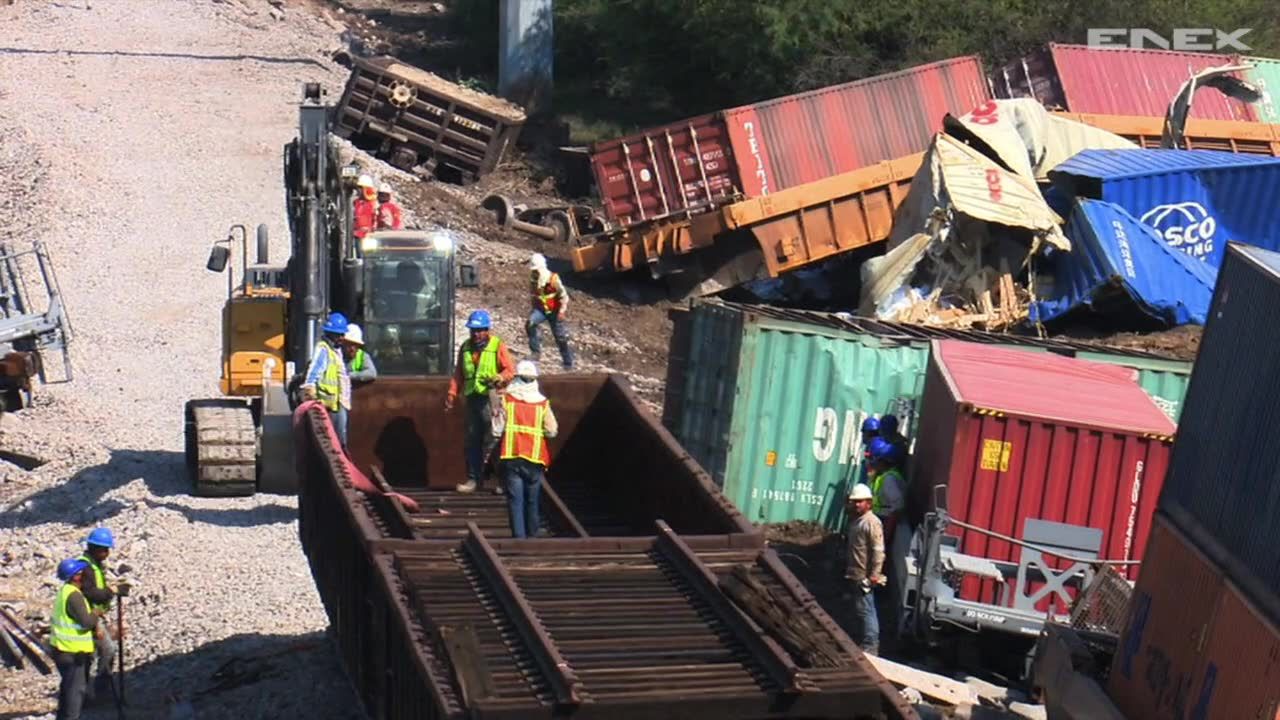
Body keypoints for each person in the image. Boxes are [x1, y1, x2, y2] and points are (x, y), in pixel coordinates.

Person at [446, 309, 515, 493]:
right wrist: (452, 394)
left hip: (492, 399)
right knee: (472, 441)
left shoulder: (497, 346)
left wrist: (499, 378)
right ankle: (473, 480)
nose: (476, 334)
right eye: (473, 330)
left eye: (479, 330)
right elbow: (459, 373)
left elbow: (510, 370)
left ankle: (501, 481)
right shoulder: (466, 347)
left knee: (495, 440)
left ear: (487, 329)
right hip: (472, 400)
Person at [492, 360, 559, 538]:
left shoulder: (507, 400)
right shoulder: (543, 404)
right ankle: (533, 536)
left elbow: (497, 429)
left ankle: (519, 539)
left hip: (512, 456)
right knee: (532, 500)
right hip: (535, 459)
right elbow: (552, 431)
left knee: (515, 500)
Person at [50, 557, 100, 720]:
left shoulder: (65, 591)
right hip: (72, 653)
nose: (85, 573)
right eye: (81, 571)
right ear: (75, 576)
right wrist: (96, 614)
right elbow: (86, 622)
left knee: (67, 689)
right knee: (75, 693)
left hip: (61, 649)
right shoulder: (74, 596)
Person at [844, 483, 886, 656]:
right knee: (861, 610)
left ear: (868, 502)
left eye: (860, 501)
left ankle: (870, 646)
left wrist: (874, 575)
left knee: (867, 610)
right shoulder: (858, 521)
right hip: (855, 573)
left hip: (864, 576)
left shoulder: (872, 522)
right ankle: (866, 641)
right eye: (854, 501)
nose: (856, 504)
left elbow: (878, 551)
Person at [302, 312, 352, 446]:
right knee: (334, 441)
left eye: (342, 334)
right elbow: (314, 371)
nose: (342, 337)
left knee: (340, 438)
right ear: (331, 334)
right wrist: (310, 388)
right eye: (339, 334)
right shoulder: (323, 349)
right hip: (327, 405)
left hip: (337, 403)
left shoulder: (336, 351)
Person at [77, 528, 116, 702]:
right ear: (93, 548)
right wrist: (110, 592)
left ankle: (87, 695)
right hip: (88, 618)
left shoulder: (94, 565)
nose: (107, 554)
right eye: (104, 550)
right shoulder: (86, 567)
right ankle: (99, 692)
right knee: (107, 650)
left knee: (90, 656)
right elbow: (90, 593)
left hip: (94, 616)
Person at [526, 253, 575, 370]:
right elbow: (534, 294)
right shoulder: (533, 278)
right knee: (530, 324)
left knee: (560, 338)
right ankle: (535, 352)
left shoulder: (553, 279)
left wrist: (562, 311)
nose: (535, 272)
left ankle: (568, 362)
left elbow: (564, 296)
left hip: (554, 311)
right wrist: (534, 308)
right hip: (541, 310)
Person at [867, 437, 907, 544]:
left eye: (875, 459)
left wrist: (885, 536)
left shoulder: (889, 479)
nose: (872, 462)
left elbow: (897, 508)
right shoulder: (884, 476)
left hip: (885, 520)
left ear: (883, 461)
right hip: (880, 519)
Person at [353, 174, 378, 239]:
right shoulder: (356, 203)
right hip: (356, 236)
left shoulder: (373, 204)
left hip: (367, 238)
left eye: (360, 188)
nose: (358, 190)